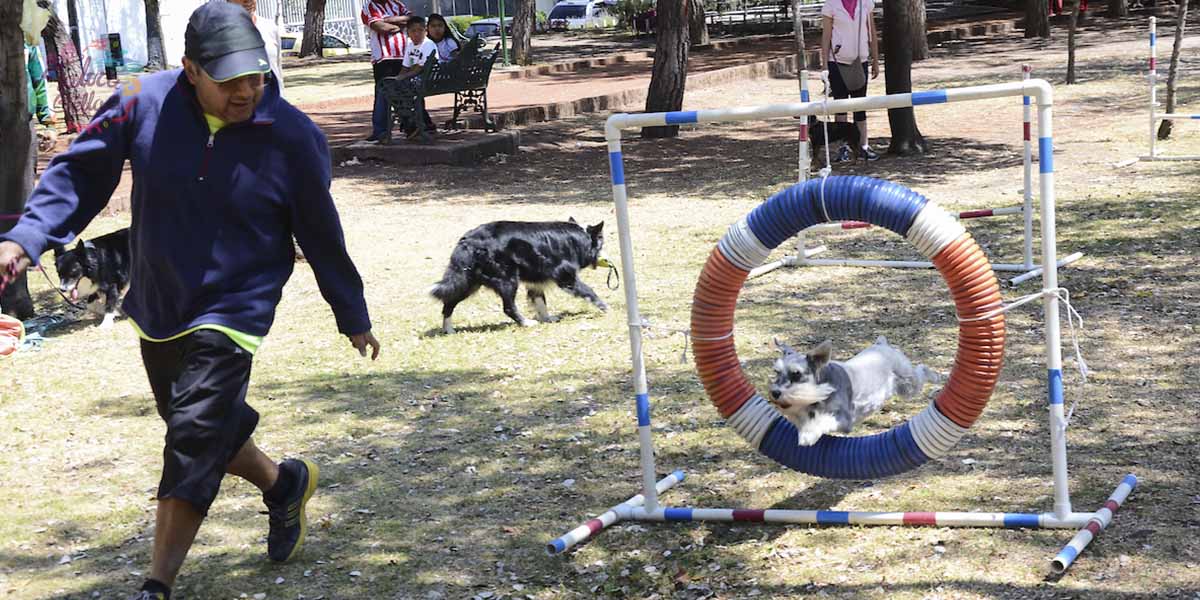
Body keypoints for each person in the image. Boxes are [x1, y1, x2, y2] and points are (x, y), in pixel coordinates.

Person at [0, 4, 381, 599]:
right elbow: (79, 174)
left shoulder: (294, 136)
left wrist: (351, 311)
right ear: (190, 70)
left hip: (238, 302)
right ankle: (284, 484)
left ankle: (157, 585)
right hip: (160, 297)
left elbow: (321, 232)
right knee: (197, 426)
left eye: (255, 77)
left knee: (192, 433)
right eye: (228, 81)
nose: (246, 92)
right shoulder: (138, 98)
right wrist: (25, 238)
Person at [821, 0, 880, 161]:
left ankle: (863, 145)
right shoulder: (831, 5)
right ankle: (843, 146)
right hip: (837, 62)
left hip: (860, 61)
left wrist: (875, 60)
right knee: (840, 105)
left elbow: (872, 33)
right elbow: (826, 36)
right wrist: (824, 65)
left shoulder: (866, 3)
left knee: (860, 105)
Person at [360, 0, 412, 142]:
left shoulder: (397, 4)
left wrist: (389, 20)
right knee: (383, 94)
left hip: (403, 56)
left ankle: (411, 126)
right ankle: (380, 130)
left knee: (404, 91)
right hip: (384, 58)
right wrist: (399, 25)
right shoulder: (369, 7)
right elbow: (380, 27)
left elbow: (411, 19)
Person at [227, 0, 285, 92]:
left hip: (273, 102)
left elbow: (278, 71)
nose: (248, 1)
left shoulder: (270, 28)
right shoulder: (220, 34)